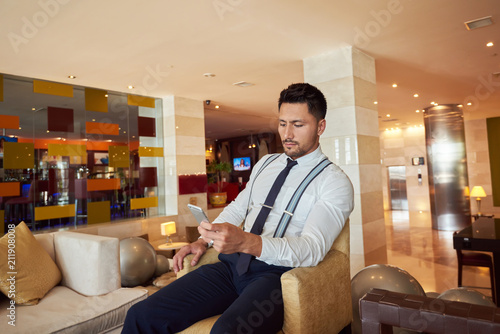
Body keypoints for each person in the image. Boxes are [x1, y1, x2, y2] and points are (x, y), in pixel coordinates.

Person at [122, 83, 354, 333]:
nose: (287, 133)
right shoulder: (266, 163)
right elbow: (237, 208)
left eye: (298, 125)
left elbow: (312, 249)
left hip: (275, 277)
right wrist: (203, 241)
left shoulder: (334, 181)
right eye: (282, 123)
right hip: (231, 267)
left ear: (320, 126)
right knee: (141, 315)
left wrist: (247, 243)